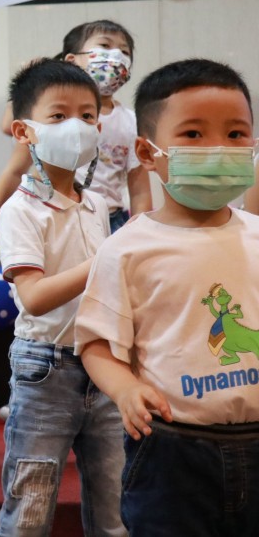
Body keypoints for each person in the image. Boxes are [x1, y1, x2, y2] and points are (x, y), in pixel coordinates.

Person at [77, 59, 259, 536]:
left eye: (237, 134)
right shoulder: (128, 248)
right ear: (146, 151)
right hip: (174, 452)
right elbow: (97, 345)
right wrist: (126, 389)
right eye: (194, 135)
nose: (219, 149)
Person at [0, 59, 124, 537]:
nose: (77, 126)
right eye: (59, 116)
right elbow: (33, 297)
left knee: (117, 511)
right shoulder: (20, 211)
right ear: (24, 131)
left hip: (106, 365)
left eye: (88, 116)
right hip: (45, 369)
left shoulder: (97, 204)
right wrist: (107, 262)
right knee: (29, 514)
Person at [0, 20, 151, 266]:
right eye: (105, 46)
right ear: (72, 60)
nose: (116, 56)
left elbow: (139, 188)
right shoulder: (44, 125)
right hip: (51, 212)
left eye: (125, 52)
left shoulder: (130, 122)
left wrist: (138, 234)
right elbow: (13, 168)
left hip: (109, 219)